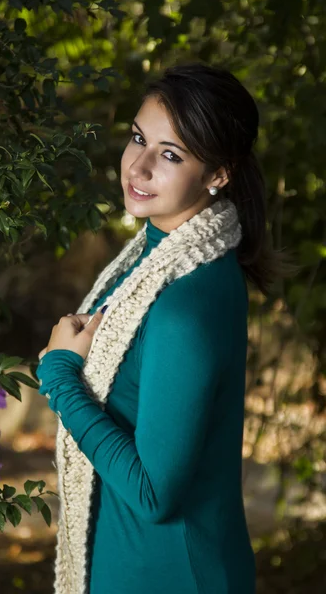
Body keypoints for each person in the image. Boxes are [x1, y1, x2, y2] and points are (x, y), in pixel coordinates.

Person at [37, 63, 292, 594]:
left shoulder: (186, 301)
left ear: (219, 173)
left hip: (171, 574)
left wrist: (61, 375)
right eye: (137, 138)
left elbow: (155, 493)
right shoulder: (153, 259)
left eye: (170, 154)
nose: (139, 166)